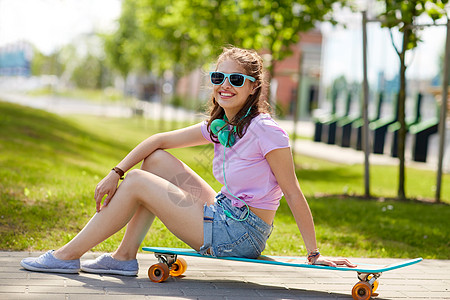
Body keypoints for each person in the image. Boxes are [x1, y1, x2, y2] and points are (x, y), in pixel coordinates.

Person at [20, 47, 356, 276]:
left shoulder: (266, 131)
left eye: (236, 80)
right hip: (224, 211)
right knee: (154, 161)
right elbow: (158, 141)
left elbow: (293, 193)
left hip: (239, 234)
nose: (225, 86)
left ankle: (66, 256)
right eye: (218, 77)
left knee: (139, 184)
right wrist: (115, 172)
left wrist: (314, 255)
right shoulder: (223, 125)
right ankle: (123, 257)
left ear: (254, 88)